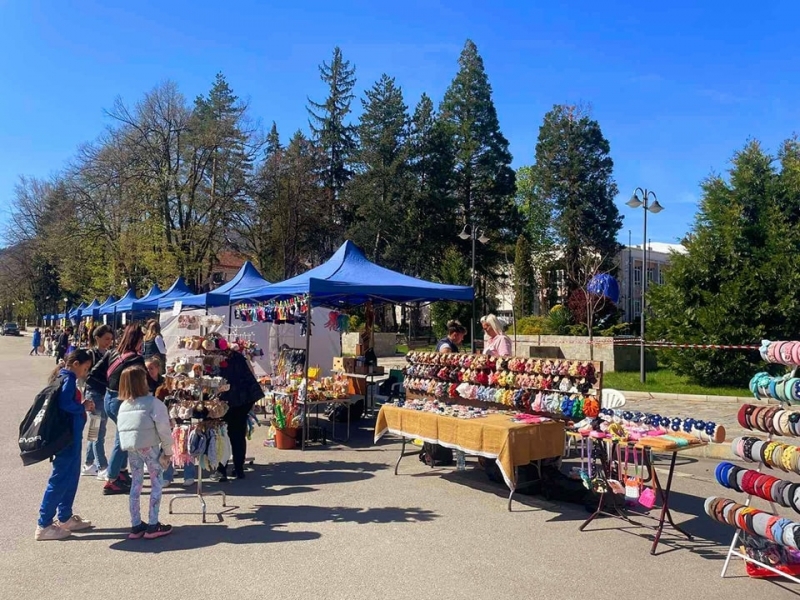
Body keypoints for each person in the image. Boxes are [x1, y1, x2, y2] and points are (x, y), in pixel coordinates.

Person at [35, 349, 95, 541]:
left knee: (70, 476)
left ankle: (65, 517)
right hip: (67, 439)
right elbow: (65, 404)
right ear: (75, 364)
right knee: (60, 479)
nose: (85, 373)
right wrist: (83, 406)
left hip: (70, 438)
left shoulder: (64, 377)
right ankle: (44, 524)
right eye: (85, 369)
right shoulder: (68, 379)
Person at [117, 366, 173, 539]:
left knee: (136, 483)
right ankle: (153, 523)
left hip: (132, 448)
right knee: (156, 482)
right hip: (150, 446)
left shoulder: (124, 405)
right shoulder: (153, 403)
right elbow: (164, 428)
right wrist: (168, 450)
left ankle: (136, 524)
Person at [99, 324, 146, 495]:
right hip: (122, 401)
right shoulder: (136, 359)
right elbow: (144, 382)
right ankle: (111, 479)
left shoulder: (114, 353)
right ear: (137, 339)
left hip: (108, 398)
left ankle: (120, 471)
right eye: (141, 339)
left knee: (122, 437)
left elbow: (97, 372)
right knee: (122, 440)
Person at [214, 346, 264, 481]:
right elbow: (249, 377)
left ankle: (222, 469)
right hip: (243, 400)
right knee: (237, 435)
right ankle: (238, 468)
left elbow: (215, 383)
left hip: (228, 402)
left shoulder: (216, 360)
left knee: (222, 436)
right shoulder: (237, 356)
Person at [82, 325, 115, 479]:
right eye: (106, 338)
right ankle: (102, 466)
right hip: (93, 395)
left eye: (110, 339)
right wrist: (83, 398)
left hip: (104, 395)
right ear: (97, 338)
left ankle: (89, 463)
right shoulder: (90, 354)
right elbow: (83, 377)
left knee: (96, 430)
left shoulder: (110, 354)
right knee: (98, 432)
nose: (109, 342)